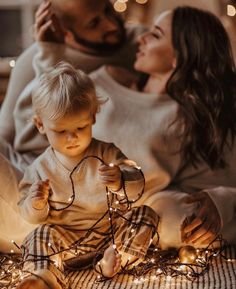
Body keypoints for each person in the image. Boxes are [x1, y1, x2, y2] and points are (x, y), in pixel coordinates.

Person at [0, 5, 235, 253]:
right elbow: (30, 139)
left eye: (154, 35)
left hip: (71, 225)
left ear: (180, 56)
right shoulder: (106, 78)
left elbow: (219, 181)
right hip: (34, 193)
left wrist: (221, 200)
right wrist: (50, 55)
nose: (140, 37)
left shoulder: (188, 117)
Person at [17, 62, 158, 289]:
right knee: (38, 235)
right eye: (61, 131)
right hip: (66, 242)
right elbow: (30, 215)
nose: (72, 138)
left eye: (80, 128)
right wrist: (36, 202)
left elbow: (137, 182)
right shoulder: (39, 168)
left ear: (92, 118)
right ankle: (45, 275)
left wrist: (120, 179)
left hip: (111, 236)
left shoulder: (106, 152)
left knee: (145, 214)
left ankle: (115, 262)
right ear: (40, 125)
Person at [0, 0, 146, 145]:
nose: (112, 25)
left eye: (108, 10)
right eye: (94, 23)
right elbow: (5, 137)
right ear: (65, 32)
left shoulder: (143, 41)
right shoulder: (32, 62)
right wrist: (49, 60)